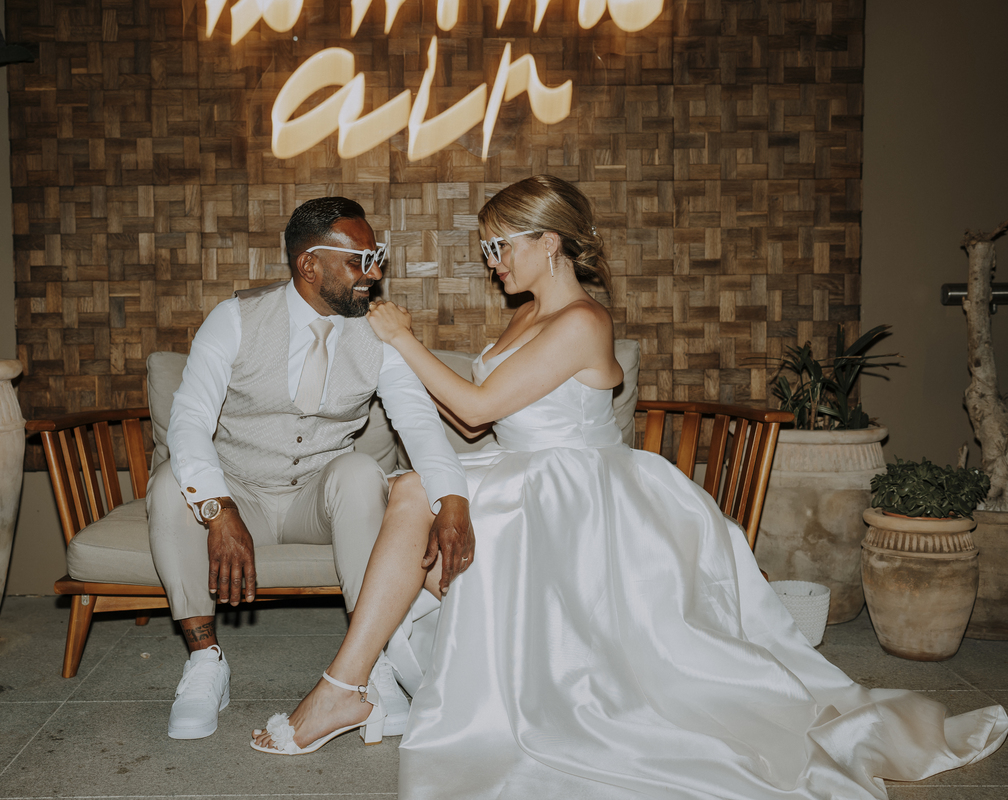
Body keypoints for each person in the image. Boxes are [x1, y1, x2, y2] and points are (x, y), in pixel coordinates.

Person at [249, 176, 1008, 798]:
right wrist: (406, 368)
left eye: (501, 245)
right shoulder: (522, 319)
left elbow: (475, 409)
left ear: (549, 243)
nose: (492, 262)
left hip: (577, 491)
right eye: (488, 248)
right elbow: (480, 425)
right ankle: (370, 680)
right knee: (415, 491)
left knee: (419, 494)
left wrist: (403, 339)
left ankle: (349, 686)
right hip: (520, 472)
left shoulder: (584, 321)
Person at [148, 196, 472, 741]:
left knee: (359, 472)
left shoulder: (379, 333)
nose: (374, 274)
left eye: (376, 259)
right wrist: (218, 507)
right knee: (169, 486)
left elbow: (418, 423)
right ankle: (205, 662)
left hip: (314, 502)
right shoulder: (234, 319)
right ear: (309, 265)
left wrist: (452, 498)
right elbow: (189, 420)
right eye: (359, 261)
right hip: (240, 491)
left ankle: (370, 668)